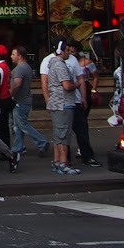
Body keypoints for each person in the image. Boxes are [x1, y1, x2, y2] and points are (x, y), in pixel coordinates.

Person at [43, 42, 82, 176]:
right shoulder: (60, 65)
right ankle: (63, 163)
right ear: (62, 51)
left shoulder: (52, 63)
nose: (69, 53)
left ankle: (57, 161)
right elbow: (66, 86)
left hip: (56, 103)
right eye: (67, 50)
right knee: (64, 134)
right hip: (63, 103)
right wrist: (76, 85)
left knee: (58, 133)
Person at [8, 46, 50, 159]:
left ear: (19, 56)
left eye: (13, 54)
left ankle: (41, 141)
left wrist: (10, 94)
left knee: (22, 125)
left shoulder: (19, 69)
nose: (11, 56)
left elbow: (17, 84)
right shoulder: (27, 67)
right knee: (18, 126)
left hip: (20, 101)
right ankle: (18, 147)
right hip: (24, 100)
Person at [65, 41, 101, 167]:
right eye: (69, 51)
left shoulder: (86, 63)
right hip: (69, 97)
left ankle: (86, 153)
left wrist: (92, 91)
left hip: (82, 90)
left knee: (82, 126)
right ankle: (66, 157)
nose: (71, 54)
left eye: (73, 51)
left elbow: (94, 76)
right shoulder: (64, 62)